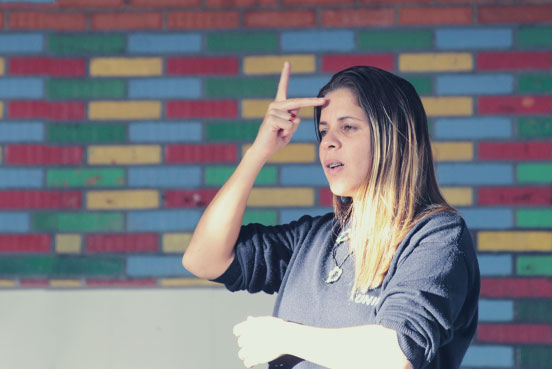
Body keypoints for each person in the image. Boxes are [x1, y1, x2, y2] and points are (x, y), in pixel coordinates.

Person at [182, 62, 480, 369]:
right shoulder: (314, 238)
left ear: (392, 136)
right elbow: (203, 259)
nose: (328, 141)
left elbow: (394, 355)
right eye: (323, 131)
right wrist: (259, 149)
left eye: (348, 127)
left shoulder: (436, 236)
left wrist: (285, 338)